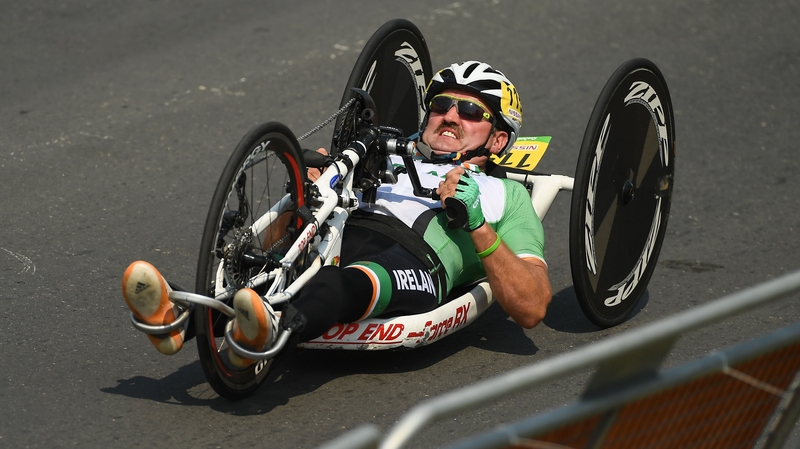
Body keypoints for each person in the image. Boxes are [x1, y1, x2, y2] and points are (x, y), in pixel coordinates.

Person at [122, 61, 552, 367]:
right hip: (340, 229)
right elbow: (274, 241)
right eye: (440, 105)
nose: (450, 115)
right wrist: (305, 194)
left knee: (337, 281)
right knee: (282, 264)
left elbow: (532, 307)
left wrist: (476, 222)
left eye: (471, 110)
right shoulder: (383, 154)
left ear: (497, 140)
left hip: (415, 260)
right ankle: (179, 320)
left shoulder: (507, 194)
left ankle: (258, 327)